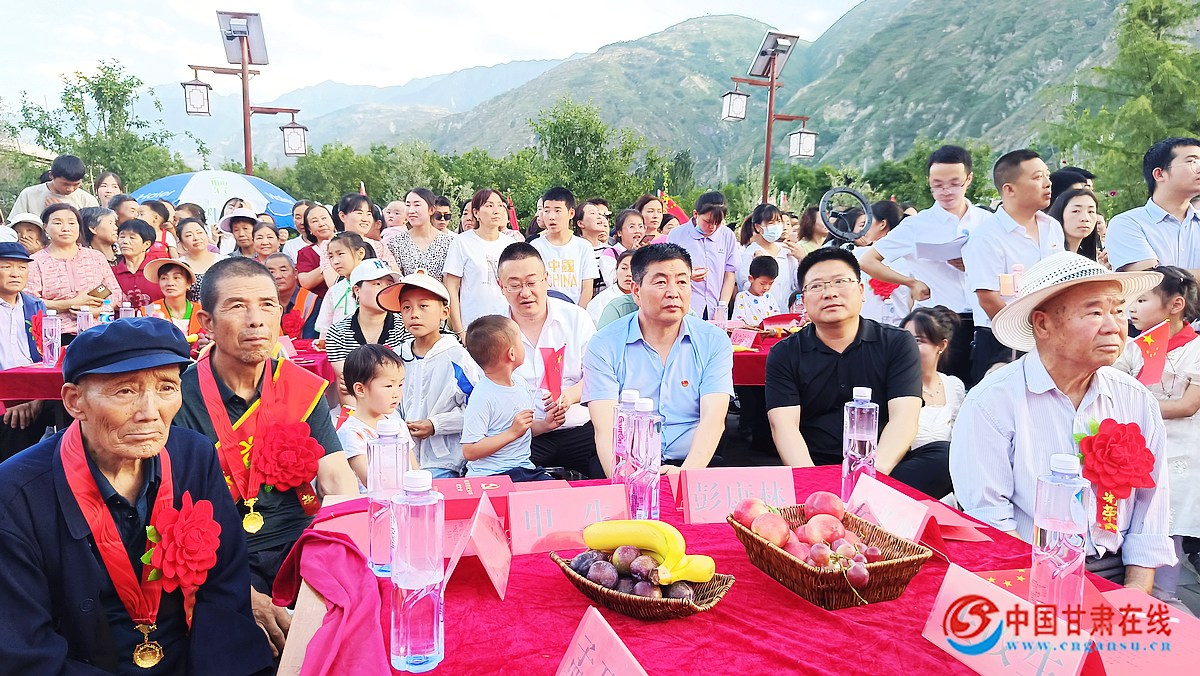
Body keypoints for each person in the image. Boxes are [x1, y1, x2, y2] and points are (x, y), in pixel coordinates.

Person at [0, 318, 274, 674]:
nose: (150, 413)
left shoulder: (194, 456)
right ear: (75, 401)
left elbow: (224, 585)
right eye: (125, 392)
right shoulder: (16, 494)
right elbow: (27, 652)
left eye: (166, 387)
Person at [950, 251, 1174, 591]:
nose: (1114, 326)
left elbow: (1149, 512)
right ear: (1043, 324)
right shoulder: (992, 402)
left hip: (1116, 571)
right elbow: (990, 519)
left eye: (1117, 311)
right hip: (1025, 571)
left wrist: (1133, 600)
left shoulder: (1135, 399)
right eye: (1095, 312)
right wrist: (1052, 594)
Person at [174, 257, 358, 656]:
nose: (256, 320)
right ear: (206, 322)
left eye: (268, 305)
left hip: (300, 544)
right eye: (237, 306)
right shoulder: (177, 400)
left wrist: (351, 555)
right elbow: (166, 513)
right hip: (218, 557)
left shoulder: (300, 387)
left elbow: (336, 480)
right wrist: (239, 591)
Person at [583, 244, 733, 475]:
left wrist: (684, 475)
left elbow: (713, 419)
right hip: (625, 463)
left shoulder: (713, 340)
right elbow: (606, 428)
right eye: (661, 282)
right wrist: (630, 481)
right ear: (636, 291)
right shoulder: (604, 344)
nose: (673, 292)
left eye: (682, 282)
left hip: (693, 462)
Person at [765, 247, 922, 469]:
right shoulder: (784, 353)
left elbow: (904, 419)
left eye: (840, 282)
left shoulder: (897, 343)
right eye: (816, 286)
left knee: (940, 455)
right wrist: (813, 483)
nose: (830, 293)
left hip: (884, 466)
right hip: (814, 465)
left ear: (861, 290)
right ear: (804, 300)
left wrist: (869, 477)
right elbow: (784, 426)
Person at [859, 145, 991, 384]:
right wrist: (910, 282)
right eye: (937, 185)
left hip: (984, 320)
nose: (946, 191)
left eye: (954, 183)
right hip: (936, 322)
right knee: (939, 391)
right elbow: (868, 260)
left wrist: (974, 265)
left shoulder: (988, 222)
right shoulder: (917, 225)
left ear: (969, 179)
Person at [1113, 266, 1200, 597]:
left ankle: (1163, 597)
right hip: (1134, 449)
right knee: (1133, 516)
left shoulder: (1195, 348)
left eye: (1141, 300)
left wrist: (1137, 406)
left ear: (1175, 305)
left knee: (1167, 525)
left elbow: (1188, 404)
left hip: (1180, 453)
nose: (1131, 309)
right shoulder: (1131, 347)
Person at [497, 243, 603, 478]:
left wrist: (569, 396)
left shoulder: (576, 318)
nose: (525, 293)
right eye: (515, 285)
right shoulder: (494, 329)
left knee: (607, 473)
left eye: (532, 282)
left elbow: (598, 376)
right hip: (524, 435)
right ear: (501, 287)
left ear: (546, 279)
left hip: (580, 428)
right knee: (504, 479)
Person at [961, 149, 1063, 384]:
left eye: (1047, 176)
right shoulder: (986, 237)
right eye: (1037, 177)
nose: (1048, 183)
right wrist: (1025, 336)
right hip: (1002, 339)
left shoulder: (1052, 227)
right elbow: (988, 298)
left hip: (1049, 334)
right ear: (1009, 189)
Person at [380, 273, 477, 479]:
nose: (414, 314)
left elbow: (477, 410)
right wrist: (398, 426)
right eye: (406, 307)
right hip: (401, 458)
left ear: (444, 312)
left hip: (444, 462)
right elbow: (384, 404)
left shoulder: (457, 357)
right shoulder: (396, 357)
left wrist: (436, 425)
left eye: (423, 306)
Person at [461, 315, 559, 480]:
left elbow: (524, 429)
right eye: (520, 341)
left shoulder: (520, 384)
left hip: (524, 468)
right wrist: (512, 432)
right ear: (512, 354)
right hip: (489, 475)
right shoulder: (482, 396)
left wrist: (545, 425)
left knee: (554, 491)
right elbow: (469, 451)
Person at [895, 306, 964, 497]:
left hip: (945, 484)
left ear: (941, 345)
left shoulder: (953, 386)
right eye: (905, 339)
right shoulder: (894, 387)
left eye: (918, 341)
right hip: (905, 479)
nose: (909, 347)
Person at [1107, 137, 1200, 276]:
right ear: (1159, 174)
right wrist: (1162, 275)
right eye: (1192, 161)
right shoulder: (1127, 223)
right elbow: (1152, 281)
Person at [28, 204, 123, 337]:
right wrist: (70, 304)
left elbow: (115, 294)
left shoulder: (95, 257)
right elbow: (30, 302)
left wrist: (95, 311)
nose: (65, 228)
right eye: (57, 223)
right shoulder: (35, 261)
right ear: (45, 227)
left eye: (72, 223)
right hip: (56, 335)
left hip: (99, 331)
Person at [324, 258, 407, 404]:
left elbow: (409, 380)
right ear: (357, 290)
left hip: (402, 405)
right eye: (377, 284)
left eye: (389, 284)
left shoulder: (406, 326)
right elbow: (348, 387)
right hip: (358, 410)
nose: (385, 289)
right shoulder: (337, 333)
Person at [0, 242, 56, 457]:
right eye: (7, 266)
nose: (16, 273)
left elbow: (47, 357)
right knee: (14, 423)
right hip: (3, 392)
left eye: (22, 267)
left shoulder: (35, 306)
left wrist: (37, 396)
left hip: (34, 388)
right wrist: (9, 399)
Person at [337, 344, 416, 488]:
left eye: (400, 385)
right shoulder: (352, 433)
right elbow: (371, 481)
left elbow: (414, 468)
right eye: (388, 386)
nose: (396, 393)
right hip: (376, 499)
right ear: (360, 389)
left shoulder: (398, 423)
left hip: (407, 494)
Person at [444, 189, 512, 334]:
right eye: (489, 205)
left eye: (500, 205)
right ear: (476, 213)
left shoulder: (510, 244)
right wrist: (459, 329)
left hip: (506, 322)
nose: (496, 210)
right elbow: (452, 287)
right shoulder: (462, 242)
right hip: (472, 325)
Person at [666, 191, 738, 321]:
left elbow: (729, 273)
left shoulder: (727, 236)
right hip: (686, 306)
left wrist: (722, 306)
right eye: (707, 221)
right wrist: (688, 275)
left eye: (718, 223)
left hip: (715, 306)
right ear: (695, 214)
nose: (712, 227)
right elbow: (668, 271)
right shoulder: (677, 235)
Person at [531, 187, 599, 306]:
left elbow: (587, 289)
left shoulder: (583, 247)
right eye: (547, 211)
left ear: (571, 213)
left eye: (557, 211)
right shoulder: (535, 247)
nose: (551, 216)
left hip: (575, 311)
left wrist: (578, 313)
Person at [737, 203, 798, 317]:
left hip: (786, 314)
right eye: (770, 223)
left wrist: (802, 258)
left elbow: (797, 283)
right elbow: (745, 287)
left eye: (778, 221)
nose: (777, 226)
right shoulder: (750, 254)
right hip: (761, 316)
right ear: (758, 227)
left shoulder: (786, 251)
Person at [314, 232, 374, 337]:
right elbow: (325, 328)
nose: (335, 261)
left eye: (340, 254)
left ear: (360, 253)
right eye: (331, 256)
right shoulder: (334, 291)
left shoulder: (376, 285)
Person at [388, 188, 455, 278]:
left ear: (431, 210)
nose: (411, 211)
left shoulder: (449, 243)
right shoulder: (396, 243)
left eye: (417, 205)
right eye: (408, 205)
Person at [10, 154, 99, 214]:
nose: (70, 189)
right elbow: (15, 225)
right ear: (51, 175)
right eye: (65, 184)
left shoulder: (88, 201)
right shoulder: (29, 195)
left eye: (76, 185)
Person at [266, 253, 321, 341]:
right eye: (271, 272)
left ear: (295, 273)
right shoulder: (263, 304)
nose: (278, 276)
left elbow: (311, 339)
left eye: (283, 270)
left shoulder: (312, 302)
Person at [143, 258, 204, 336]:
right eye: (164, 278)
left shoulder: (202, 312)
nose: (170, 283)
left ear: (188, 283)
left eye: (176, 278)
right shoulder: (147, 312)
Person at [335, 193, 397, 268]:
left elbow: (394, 272)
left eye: (369, 214)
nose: (365, 219)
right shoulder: (330, 245)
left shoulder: (379, 247)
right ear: (342, 216)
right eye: (359, 213)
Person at [113, 219, 165, 306]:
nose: (125, 242)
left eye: (132, 238)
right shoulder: (110, 273)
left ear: (146, 244)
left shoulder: (158, 271)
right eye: (122, 237)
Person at [1048, 188, 1103, 263]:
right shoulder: (1048, 255)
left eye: (1091, 211)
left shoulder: (1086, 259)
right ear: (1060, 213)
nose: (1085, 218)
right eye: (1076, 211)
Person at [178, 217, 227, 303]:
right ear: (182, 243)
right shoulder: (178, 265)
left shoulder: (225, 262)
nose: (196, 238)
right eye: (189, 235)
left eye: (199, 232)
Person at [296, 204, 339, 298]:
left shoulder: (348, 242)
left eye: (324, 218)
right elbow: (305, 282)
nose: (321, 224)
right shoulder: (305, 253)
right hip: (320, 303)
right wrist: (327, 263)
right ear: (309, 229)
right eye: (315, 221)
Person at [575, 198, 613, 293]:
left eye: (599, 213)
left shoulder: (610, 251)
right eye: (592, 213)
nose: (599, 217)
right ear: (580, 223)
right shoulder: (573, 249)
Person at [600, 209, 645, 288]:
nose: (637, 230)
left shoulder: (645, 252)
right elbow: (610, 280)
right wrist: (632, 256)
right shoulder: (610, 253)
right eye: (632, 227)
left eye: (640, 226)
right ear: (619, 232)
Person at [732, 255, 781, 326]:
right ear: (751, 279)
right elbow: (738, 321)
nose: (766, 287)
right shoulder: (742, 297)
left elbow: (777, 319)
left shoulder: (769, 298)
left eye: (770, 283)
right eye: (762, 283)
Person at [589, 249, 634, 325]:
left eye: (634, 269)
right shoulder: (600, 301)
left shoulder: (645, 298)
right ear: (616, 269)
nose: (629, 274)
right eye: (624, 268)